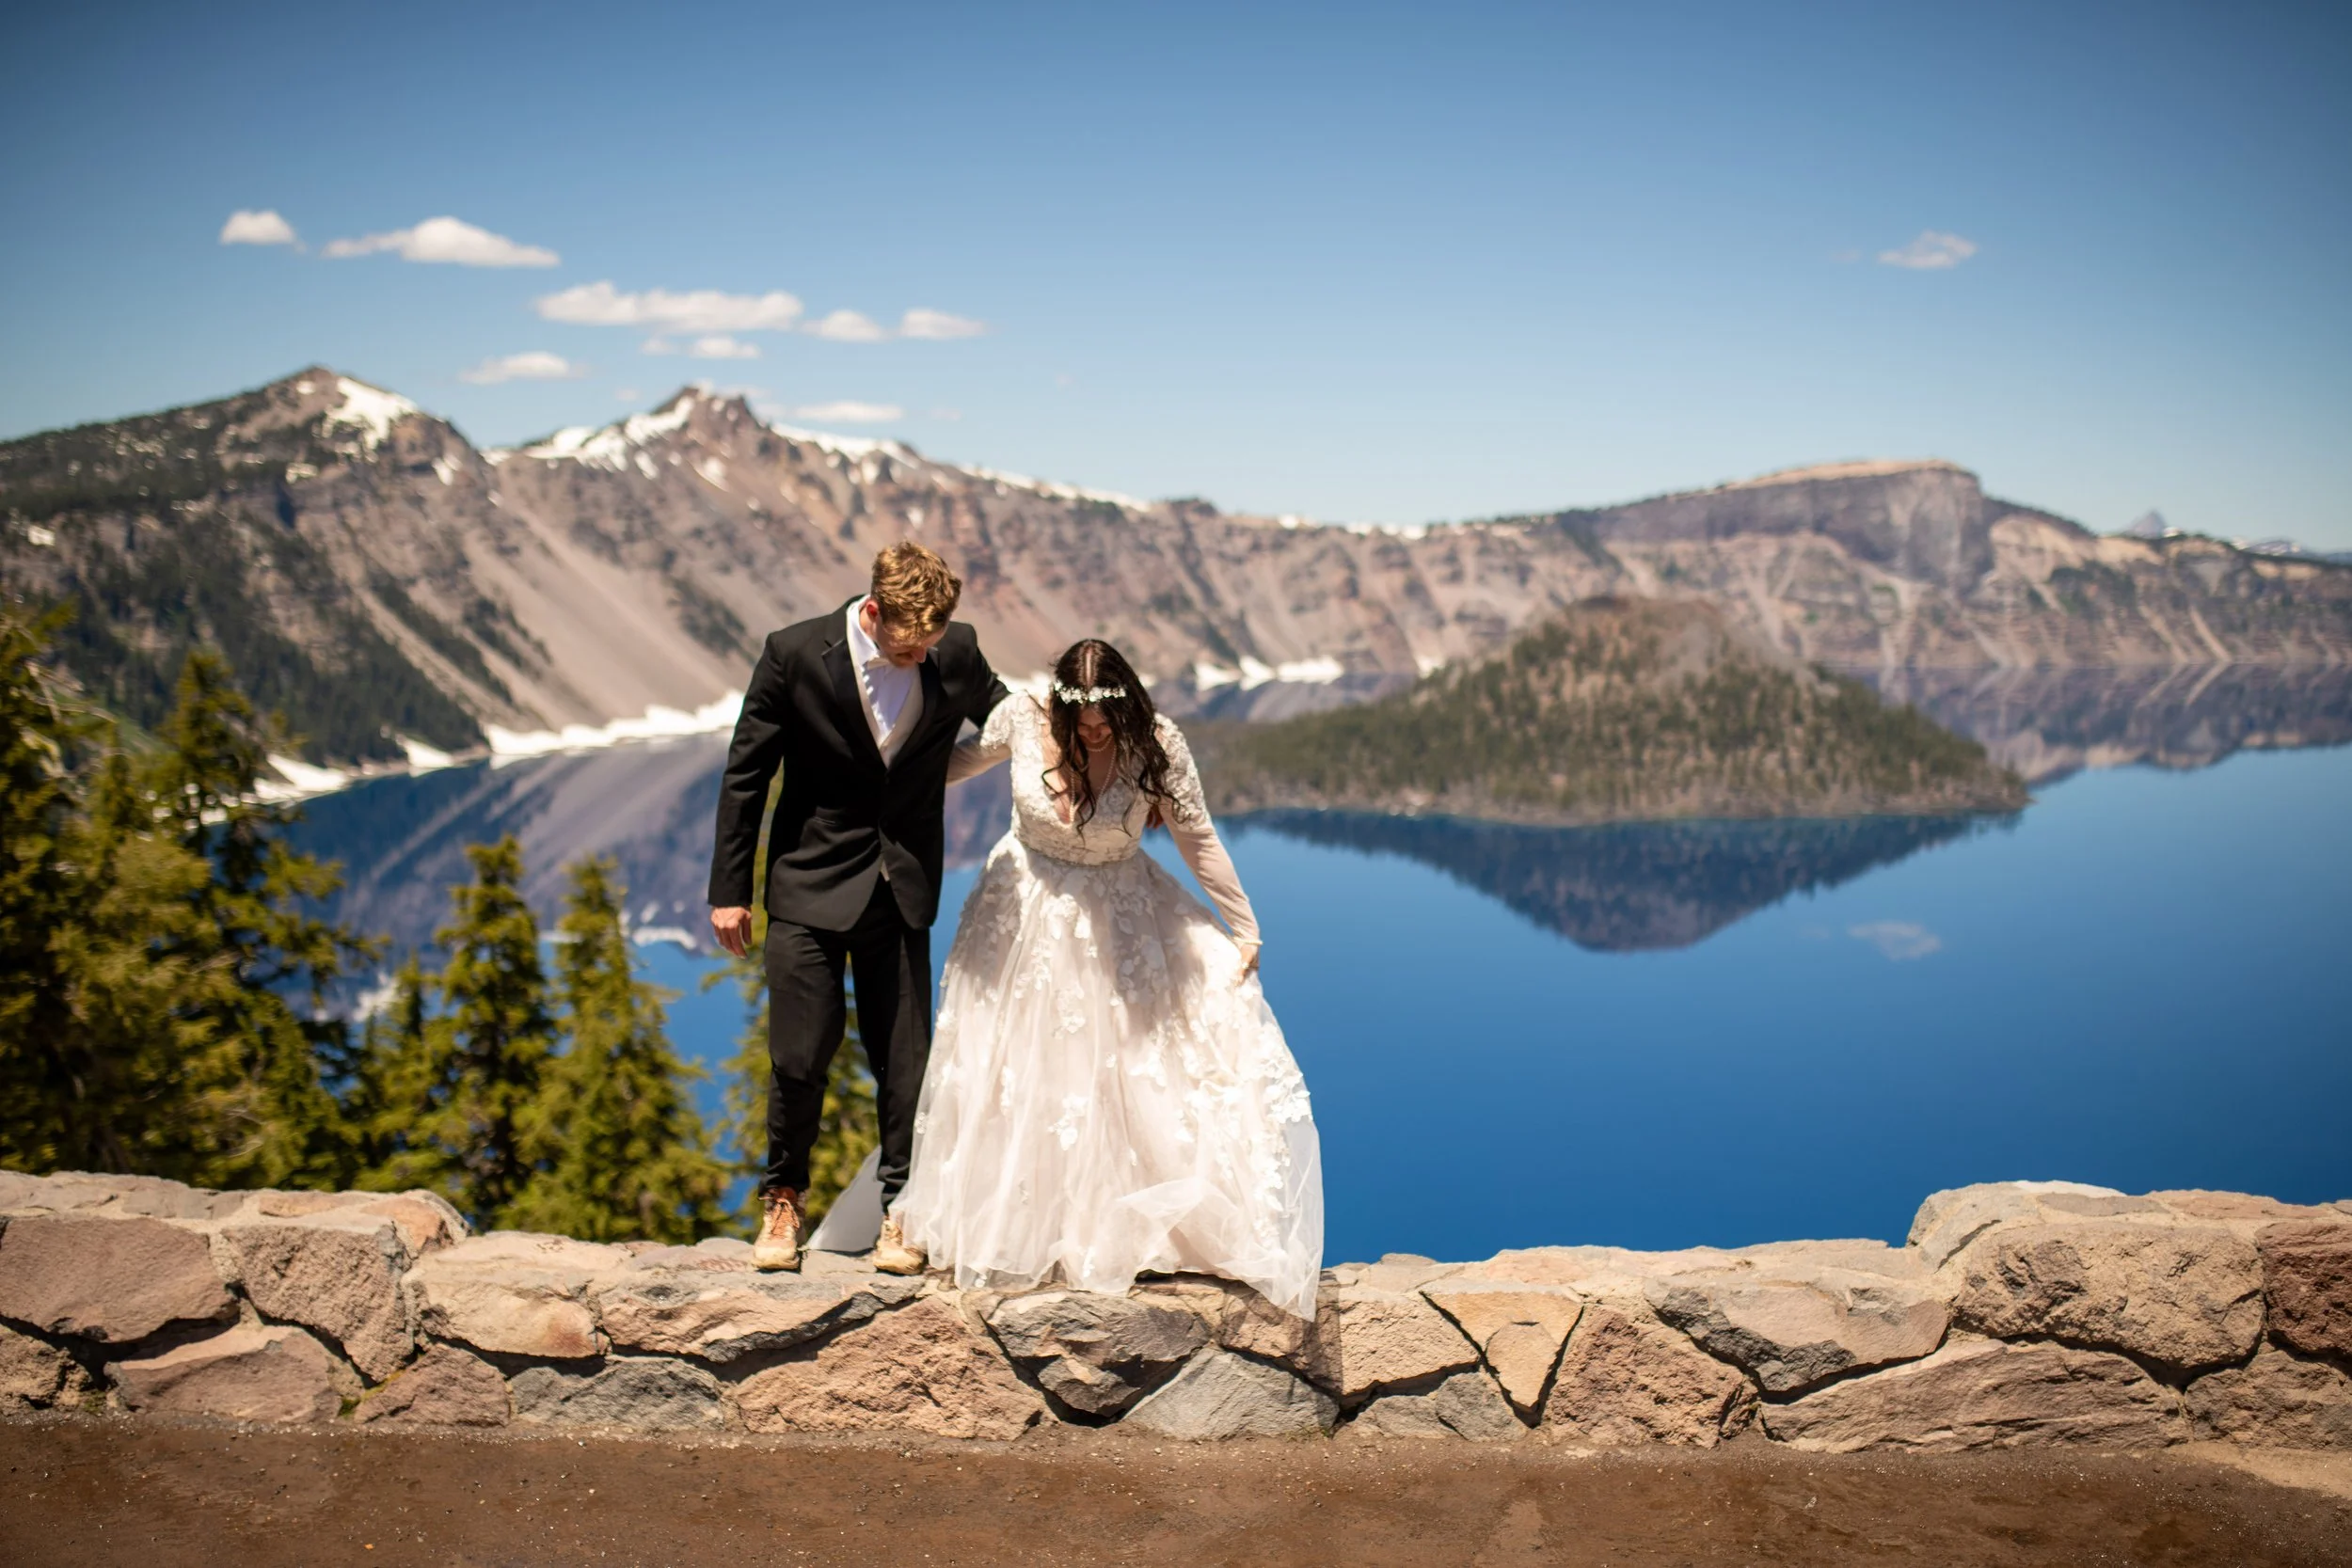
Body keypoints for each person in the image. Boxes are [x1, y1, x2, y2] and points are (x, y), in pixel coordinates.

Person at [894, 638, 1324, 1318]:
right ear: (1061, 707)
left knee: (1124, 1069)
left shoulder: (1158, 742)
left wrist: (1246, 927)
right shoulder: (1022, 718)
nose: (1094, 734)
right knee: (1019, 1071)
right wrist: (885, 761)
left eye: (1105, 725)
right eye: (1083, 724)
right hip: (1023, 913)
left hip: (1119, 912)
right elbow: (955, 764)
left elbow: (1198, 836)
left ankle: (1111, 1229)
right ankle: (1015, 1225)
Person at [707, 541, 1009, 1274]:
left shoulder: (954, 648)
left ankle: (902, 1210)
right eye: (911, 648)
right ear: (872, 612)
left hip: (900, 887)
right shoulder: (793, 654)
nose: (924, 659)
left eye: (933, 646)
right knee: (799, 1056)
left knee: (906, 1063)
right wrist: (728, 889)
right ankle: (783, 1199)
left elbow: (1006, 716)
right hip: (807, 886)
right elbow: (748, 772)